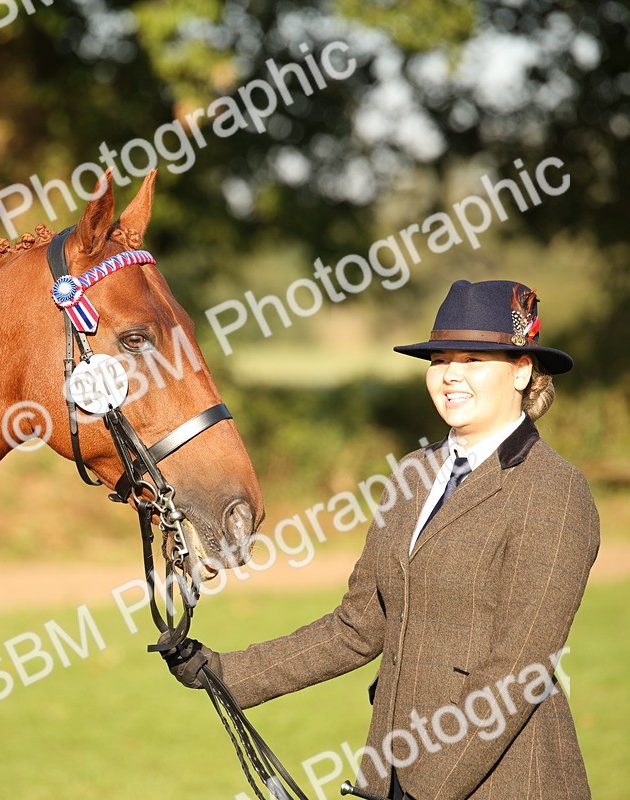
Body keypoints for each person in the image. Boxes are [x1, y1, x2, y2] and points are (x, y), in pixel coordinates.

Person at [163, 280, 600, 800]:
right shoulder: (412, 474)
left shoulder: (553, 489)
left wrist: (428, 787)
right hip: (395, 771)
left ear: (522, 370)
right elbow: (357, 627)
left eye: (474, 359)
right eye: (440, 360)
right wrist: (225, 674)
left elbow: (518, 667)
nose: (451, 375)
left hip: (501, 781)